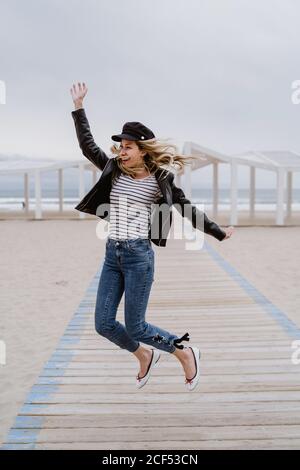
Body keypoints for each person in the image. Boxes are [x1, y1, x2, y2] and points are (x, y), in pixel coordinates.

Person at [70, 82, 234, 391]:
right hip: (112, 254)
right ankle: (143, 354)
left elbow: (188, 210)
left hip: (138, 258)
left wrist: (219, 232)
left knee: (137, 325)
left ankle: (183, 351)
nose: (121, 151)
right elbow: (87, 145)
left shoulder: (161, 182)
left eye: (128, 146)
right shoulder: (113, 169)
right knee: (103, 324)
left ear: (143, 150)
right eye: (120, 146)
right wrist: (79, 108)